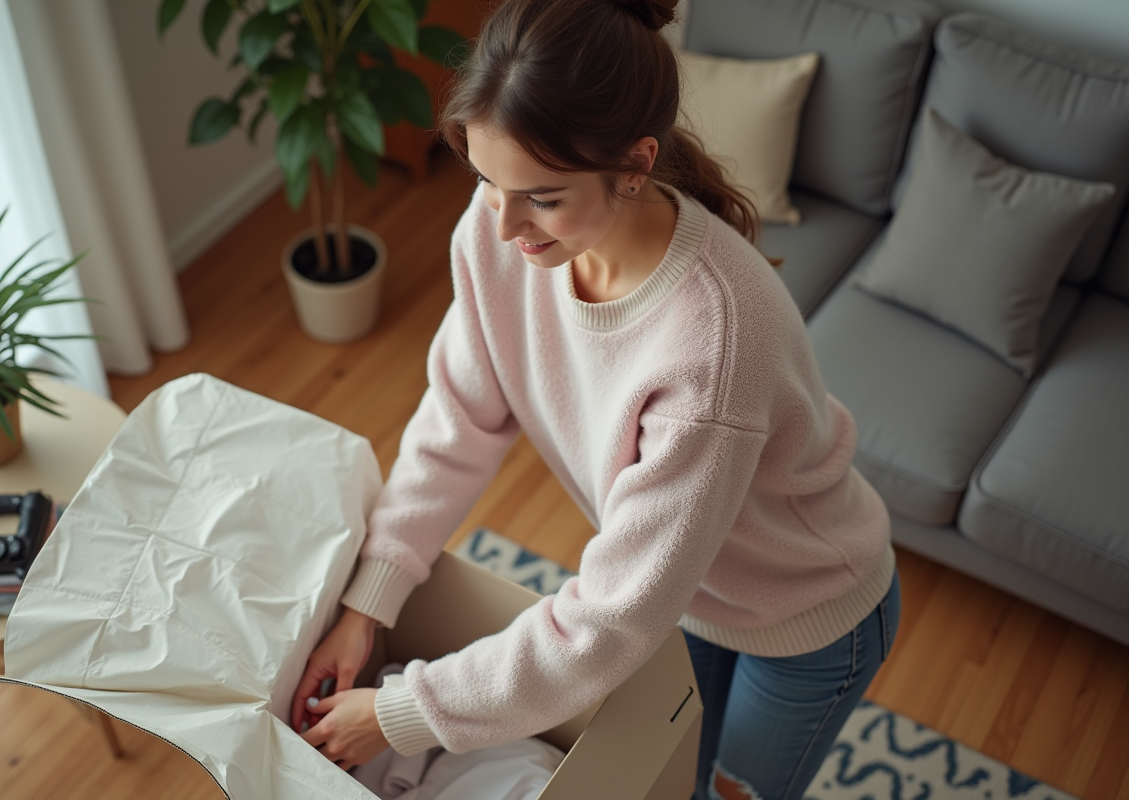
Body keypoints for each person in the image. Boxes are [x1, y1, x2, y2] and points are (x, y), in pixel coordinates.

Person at [291, 0, 901, 797]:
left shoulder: (714, 346)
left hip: (806, 614)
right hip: (684, 590)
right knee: (671, 774)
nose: (502, 225)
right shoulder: (504, 230)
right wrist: (366, 606)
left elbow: (606, 623)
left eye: (542, 197)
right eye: (485, 179)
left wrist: (401, 713)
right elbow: (458, 421)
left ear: (636, 163)